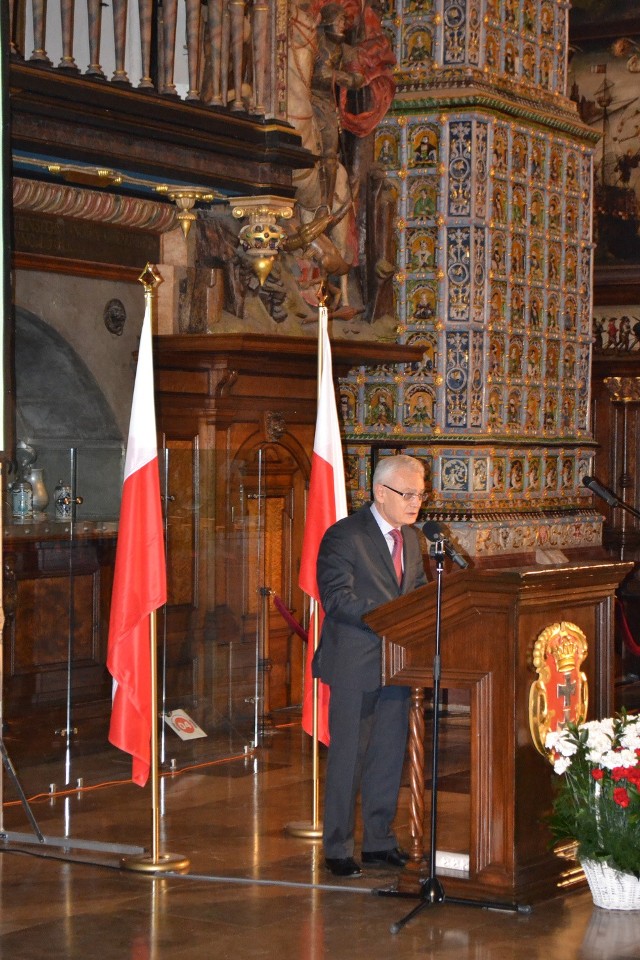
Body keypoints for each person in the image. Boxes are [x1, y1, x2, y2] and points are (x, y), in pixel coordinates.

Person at [314, 454, 428, 877]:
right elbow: (337, 599)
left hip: (398, 662)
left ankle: (379, 841)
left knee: (387, 755)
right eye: (409, 494)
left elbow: (416, 591)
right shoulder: (344, 536)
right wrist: (392, 617)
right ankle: (338, 847)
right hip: (355, 662)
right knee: (348, 757)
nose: (417, 502)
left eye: (421, 494)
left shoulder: (413, 539)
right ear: (381, 493)